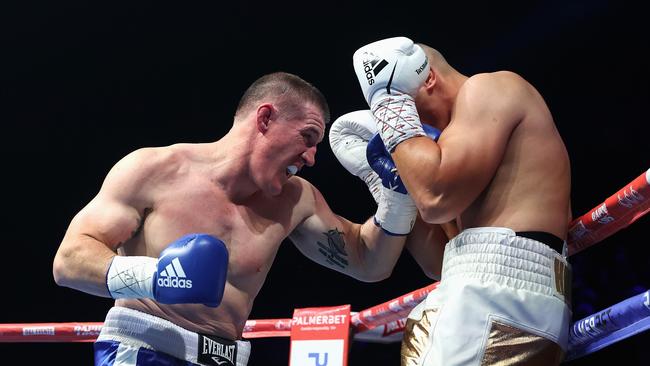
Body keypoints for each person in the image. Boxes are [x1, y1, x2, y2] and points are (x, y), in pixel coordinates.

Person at [52, 71, 418, 366]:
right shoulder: (155, 170)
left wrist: (396, 198)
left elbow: (369, 263)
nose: (311, 158)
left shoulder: (296, 200)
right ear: (265, 118)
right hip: (143, 350)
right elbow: (69, 261)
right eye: (307, 138)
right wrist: (157, 278)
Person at [347, 37, 572, 365]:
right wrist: (395, 189)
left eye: (407, 109)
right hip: (481, 299)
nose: (409, 134)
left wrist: (388, 106)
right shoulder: (459, 156)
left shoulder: (489, 89)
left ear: (428, 78)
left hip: (496, 303)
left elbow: (434, 198)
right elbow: (437, 263)